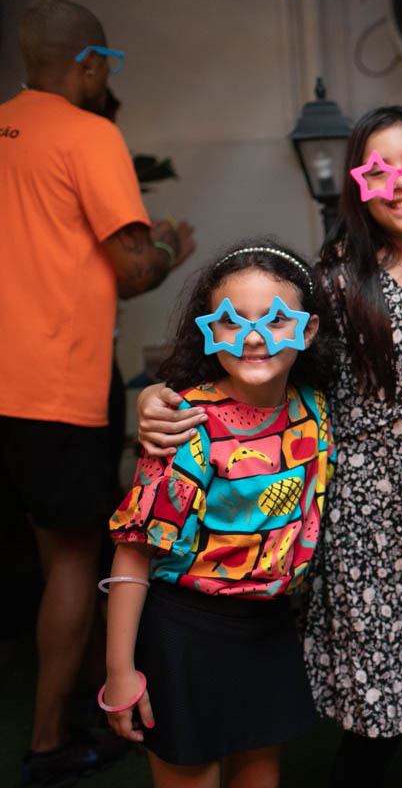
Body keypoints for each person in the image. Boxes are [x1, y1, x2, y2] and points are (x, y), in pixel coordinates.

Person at [136, 105, 402, 786]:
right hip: (362, 520)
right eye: (380, 169)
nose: (401, 183)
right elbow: (249, 345)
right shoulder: (334, 284)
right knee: (378, 706)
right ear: (358, 187)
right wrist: (158, 395)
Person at [0, 0, 194, 786]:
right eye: (101, 68)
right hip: (62, 380)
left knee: (53, 550)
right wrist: (175, 244)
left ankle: (76, 697)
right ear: (88, 64)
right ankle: (50, 740)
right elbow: (135, 266)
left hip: (10, 383)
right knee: (81, 556)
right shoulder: (89, 135)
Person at [101, 242, 335, 787]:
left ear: (309, 329)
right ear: (209, 330)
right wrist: (119, 672)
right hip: (185, 632)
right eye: (233, 322)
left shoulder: (315, 407)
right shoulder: (186, 427)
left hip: (266, 629)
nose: (255, 338)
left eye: (277, 319)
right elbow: (134, 548)